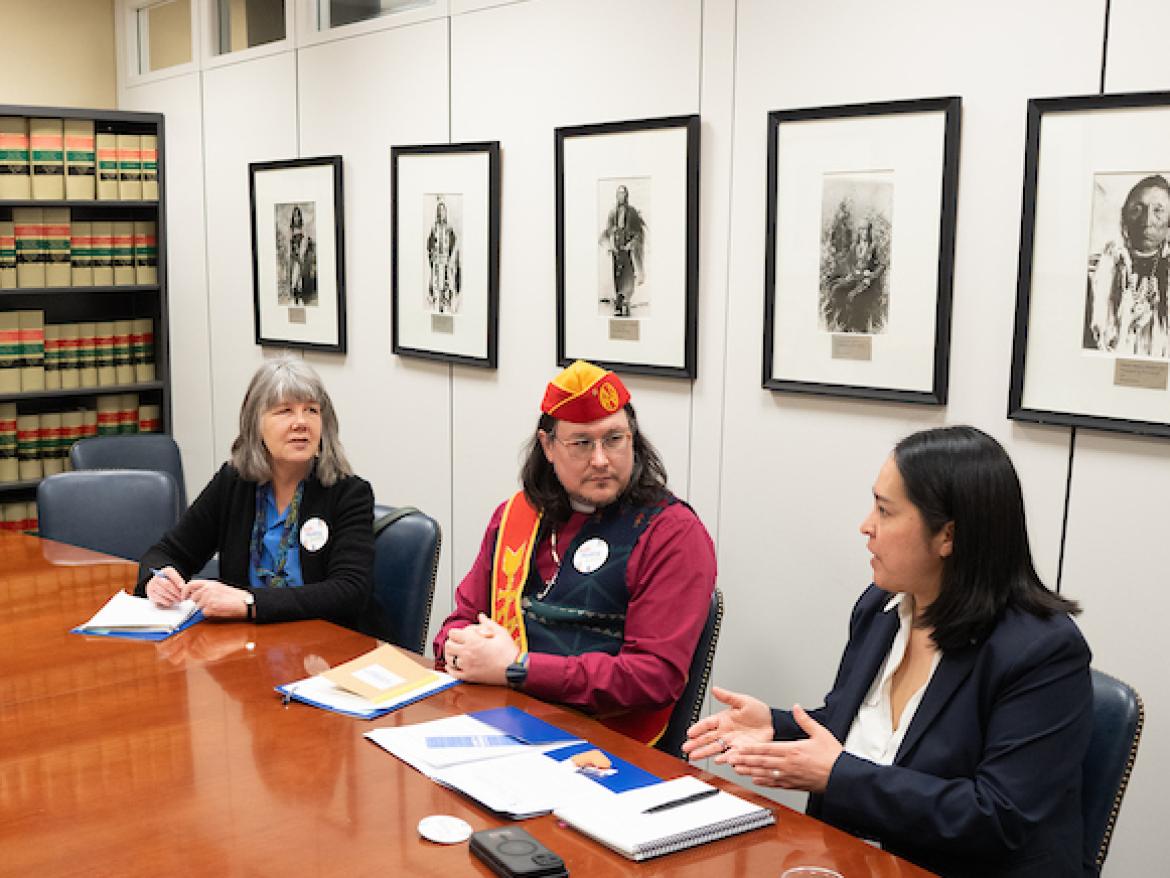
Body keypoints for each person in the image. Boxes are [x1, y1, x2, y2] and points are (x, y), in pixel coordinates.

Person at [684, 426, 1092, 878]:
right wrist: (777, 726)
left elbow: (997, 816)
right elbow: (858, 736)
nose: (866, 526)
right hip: (849, 860)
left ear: (948, 536)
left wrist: (837, 776)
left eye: (885, 510)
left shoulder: (1042, 652)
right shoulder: (881, 607)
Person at [433, 360, 716, 744]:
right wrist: (459, 648)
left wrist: (519, 668)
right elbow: (463, 620)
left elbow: (653, 677)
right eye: (582, 443)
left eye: (614, 439)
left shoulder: (671, 533)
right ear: (548, 446)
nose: (600, 459)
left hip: (606, 744)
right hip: (499, 721)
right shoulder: (516, 516)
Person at [137, 355, 374, 629]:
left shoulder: (348, 493)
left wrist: (250, 603)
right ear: (255, 424)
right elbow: (168, 552)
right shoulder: (234, 483)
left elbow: (349, 591)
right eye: (285, 411)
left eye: (311, 410)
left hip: (322, 649)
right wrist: (158, 579)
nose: (301, 423)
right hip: (246, 647)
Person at [1086, 174, 1170, 357]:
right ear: (1124, 217)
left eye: (1158, 210)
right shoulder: (1097, 273)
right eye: (1137, 209)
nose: (1147, 221)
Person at [599, 185, 646, 317]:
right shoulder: (612, 212)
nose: (621, 196)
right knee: (618, 275)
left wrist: (631, 244)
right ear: (616, 195)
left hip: (627, 249)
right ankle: (619, 302)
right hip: (616, 249)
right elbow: (608, 231)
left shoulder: (632, 212)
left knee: (628, 275)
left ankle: (626, 301)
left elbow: (638, 232)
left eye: (623, 194)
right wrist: (612, 245)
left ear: (626, 195)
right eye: (619, 193)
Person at [427, 198, 460, 313]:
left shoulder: (449, 228)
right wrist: (432, 256)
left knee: (446, 285)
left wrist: (451, 257)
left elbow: (455, 242)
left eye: (443, 211)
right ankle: (437, 307)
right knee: (437, 286)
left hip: (446, 261)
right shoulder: (434, 228)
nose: (441, 213)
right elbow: (429, 244)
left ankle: (446, 308)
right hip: (436, 262)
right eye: (439, 211)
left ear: (446, 213)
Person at [287, 206, 317, 306]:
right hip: (293, 256)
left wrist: (301, 253)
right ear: (293, 217)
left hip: (301, 254)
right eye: (295, 216)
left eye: (298, 215)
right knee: (294, 276)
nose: (296, 218)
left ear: (300, 217)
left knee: (299, 276)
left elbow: (305, 242)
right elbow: (289, 243)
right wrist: (292, 254)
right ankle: (295, 297)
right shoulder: (290, 229)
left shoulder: (303, 228)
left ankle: (299, 298)